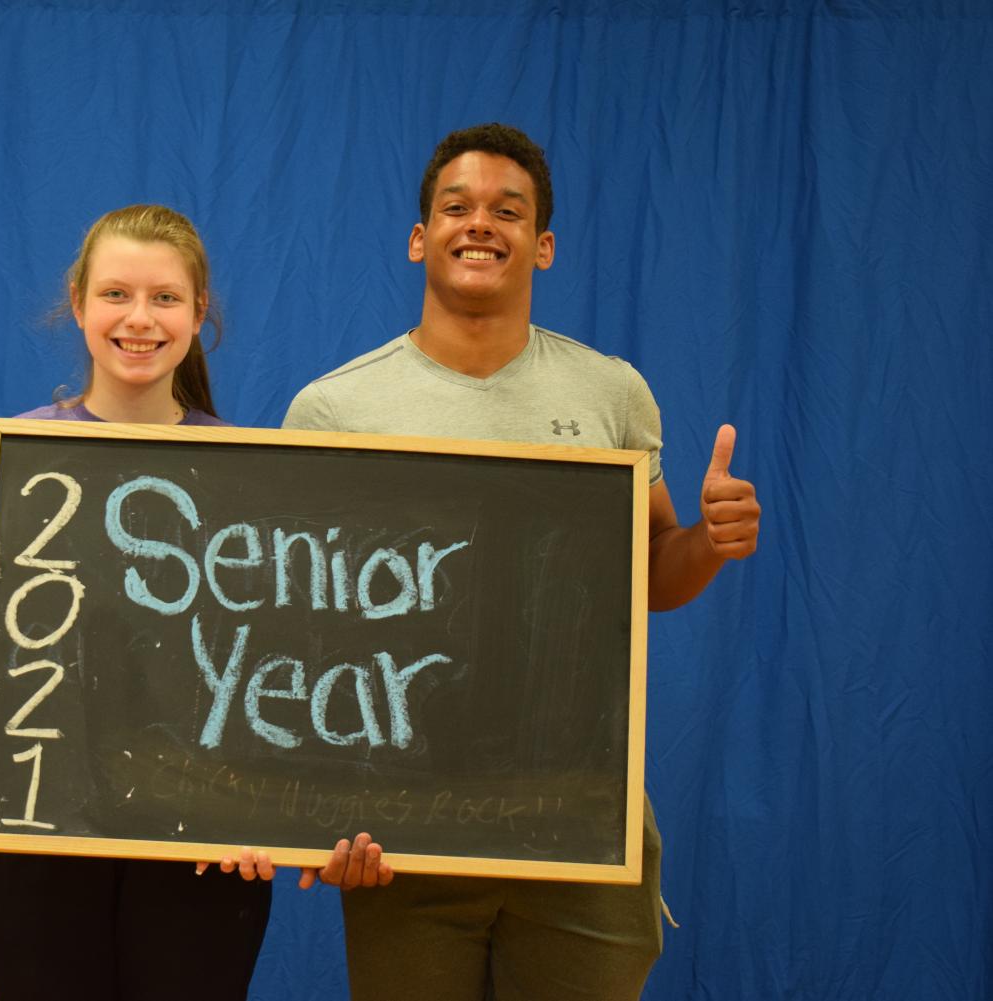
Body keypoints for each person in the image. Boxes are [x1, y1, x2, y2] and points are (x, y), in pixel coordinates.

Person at [282, 124, 762, 1001]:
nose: (480, 224)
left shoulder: (609, 392)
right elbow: (305, 633)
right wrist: (323, 809)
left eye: (508, 211)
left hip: (578, 824)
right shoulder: (333, 408)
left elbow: (651, 573)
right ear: (419, 236)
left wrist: (709, 540)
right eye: (455, 207)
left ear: (541, 245)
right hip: (402, 835)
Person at [0, 204, 273, 1001]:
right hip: (39, 838)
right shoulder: (19, 452)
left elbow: (267, 685)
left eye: (165, 298)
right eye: (115, 294)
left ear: (198, 312)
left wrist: (265, 811)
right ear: (77, 303)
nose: (139, 319)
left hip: (202, 852)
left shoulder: (245, 472)